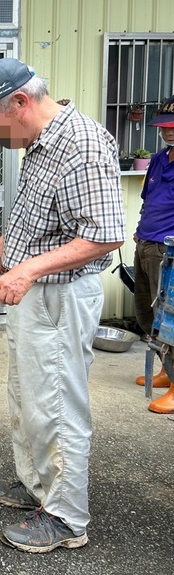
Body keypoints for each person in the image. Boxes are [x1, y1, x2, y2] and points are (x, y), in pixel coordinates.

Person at [0, 58, 125, 553]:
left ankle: (67, 517)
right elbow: (45, 211)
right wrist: (8, 243)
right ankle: (36, 485)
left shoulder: (83, 145)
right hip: (36, 296)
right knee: (29, 396)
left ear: (20, 103)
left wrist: (29, 268)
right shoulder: (39, 144)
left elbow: (103, 235)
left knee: (57, 405)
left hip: (59, 297)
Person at [132, 97, 174, 408]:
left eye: (172, 128)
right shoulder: (159, 160)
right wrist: (139, 229)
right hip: (146, 243)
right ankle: (166, 369)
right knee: (148, 314)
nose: (167, 133)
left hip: (169, 250)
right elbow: (149, 200)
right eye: (163, 128)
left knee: (171, 319)